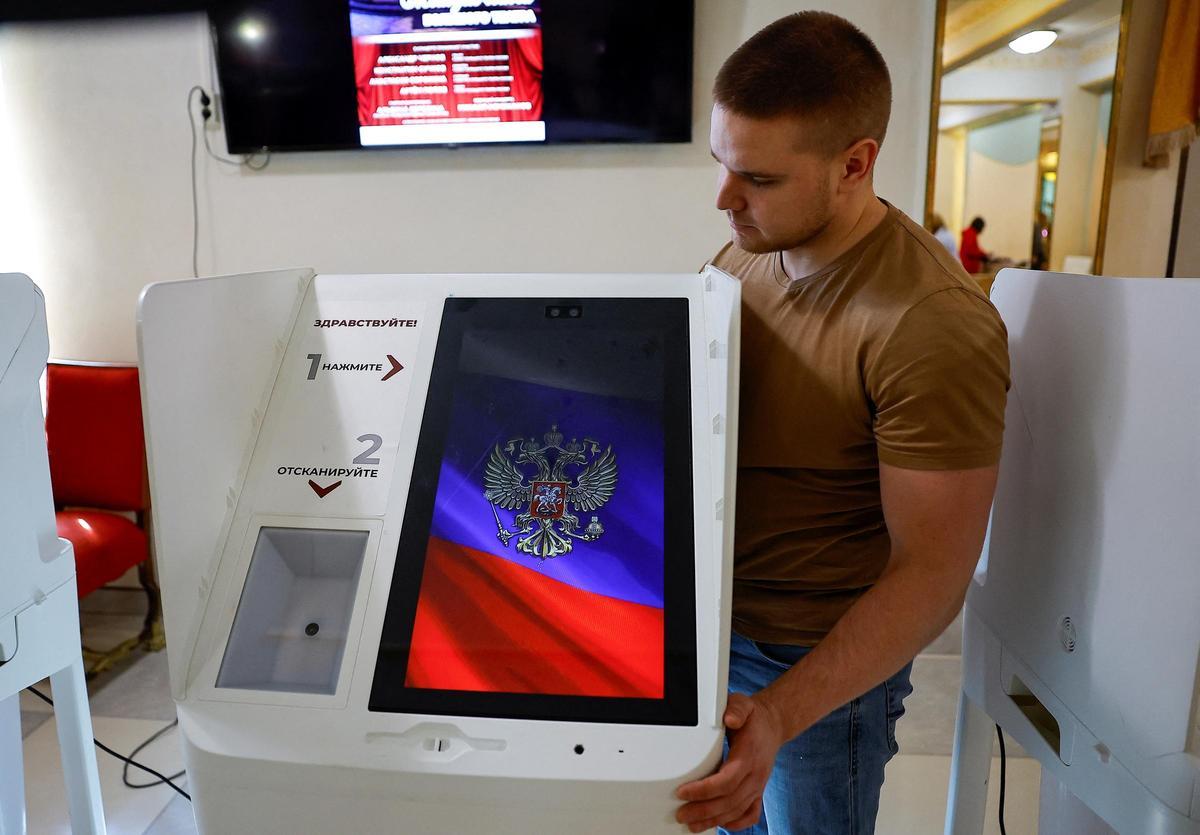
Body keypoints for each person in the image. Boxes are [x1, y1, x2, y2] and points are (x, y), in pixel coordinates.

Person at [675, 12, 1010, 835]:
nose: (724, 200)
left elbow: (932, 572)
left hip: (814, 670)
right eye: (721, 162)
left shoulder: (932, 325)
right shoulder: (745, 249)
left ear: (855, 164)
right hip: (711, 635)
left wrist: (782, 714)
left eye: (756, 177)